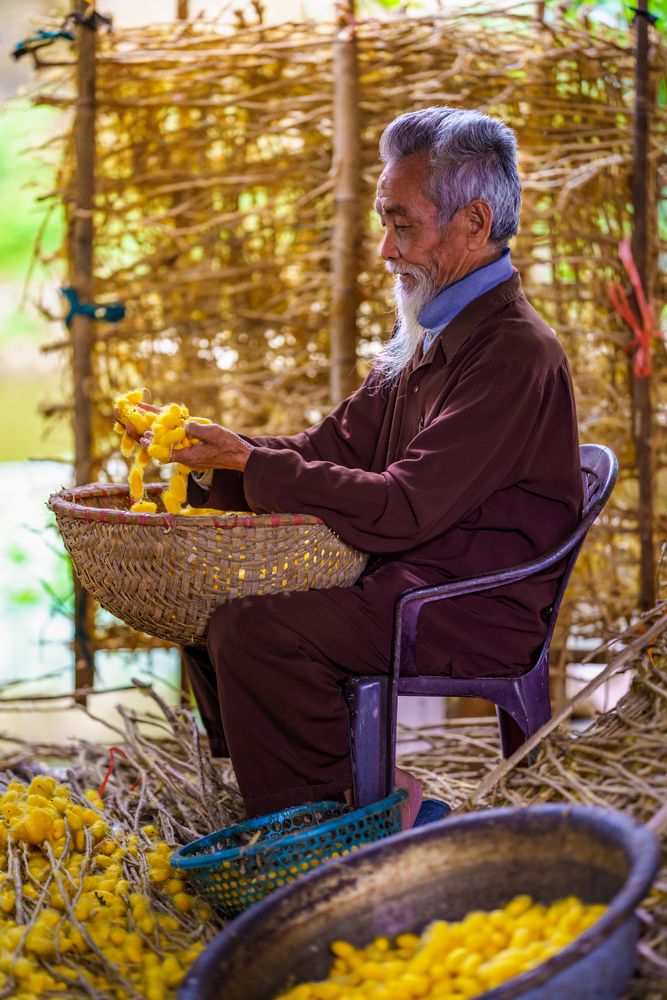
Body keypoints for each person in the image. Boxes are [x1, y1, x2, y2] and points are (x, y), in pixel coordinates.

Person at [122, 107, 582, 829]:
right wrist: (218, 460)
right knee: (204, 608)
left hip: (465, 603)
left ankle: (347, 827)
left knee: (255, 631)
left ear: (473, 222)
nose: (383, 250)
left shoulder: (513, 351)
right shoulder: (430, 336)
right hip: (402, 577)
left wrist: (248, 463)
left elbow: (404, 508)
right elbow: (325, 448)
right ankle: (332, 790)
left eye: (403, 226)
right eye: (383, 222)